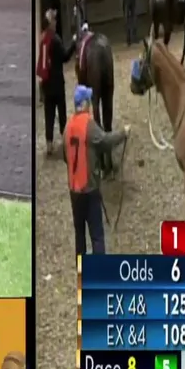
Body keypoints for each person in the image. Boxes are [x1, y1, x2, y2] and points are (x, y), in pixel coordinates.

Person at [64, 85, 128, 255]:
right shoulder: (89, 125)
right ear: (85, 104)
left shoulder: (68, 126)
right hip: (90, 188)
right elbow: (106, 141)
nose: (91, 104)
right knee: (97, 236)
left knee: (79, 235)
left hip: (74, 190)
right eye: (89, 100)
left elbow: (66, 156)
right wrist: (123, 133)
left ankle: (81, 270)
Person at [37, 8, 74, 156]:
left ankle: (49, 143)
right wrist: (74, 43)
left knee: (49, 114)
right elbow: (65, 57)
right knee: (62, 112)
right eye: (55, 19)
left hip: (47, 82)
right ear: (51, 22)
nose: (56, 22)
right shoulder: (56, 39)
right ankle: (65, 140)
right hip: (57, 82)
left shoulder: (43, 38)